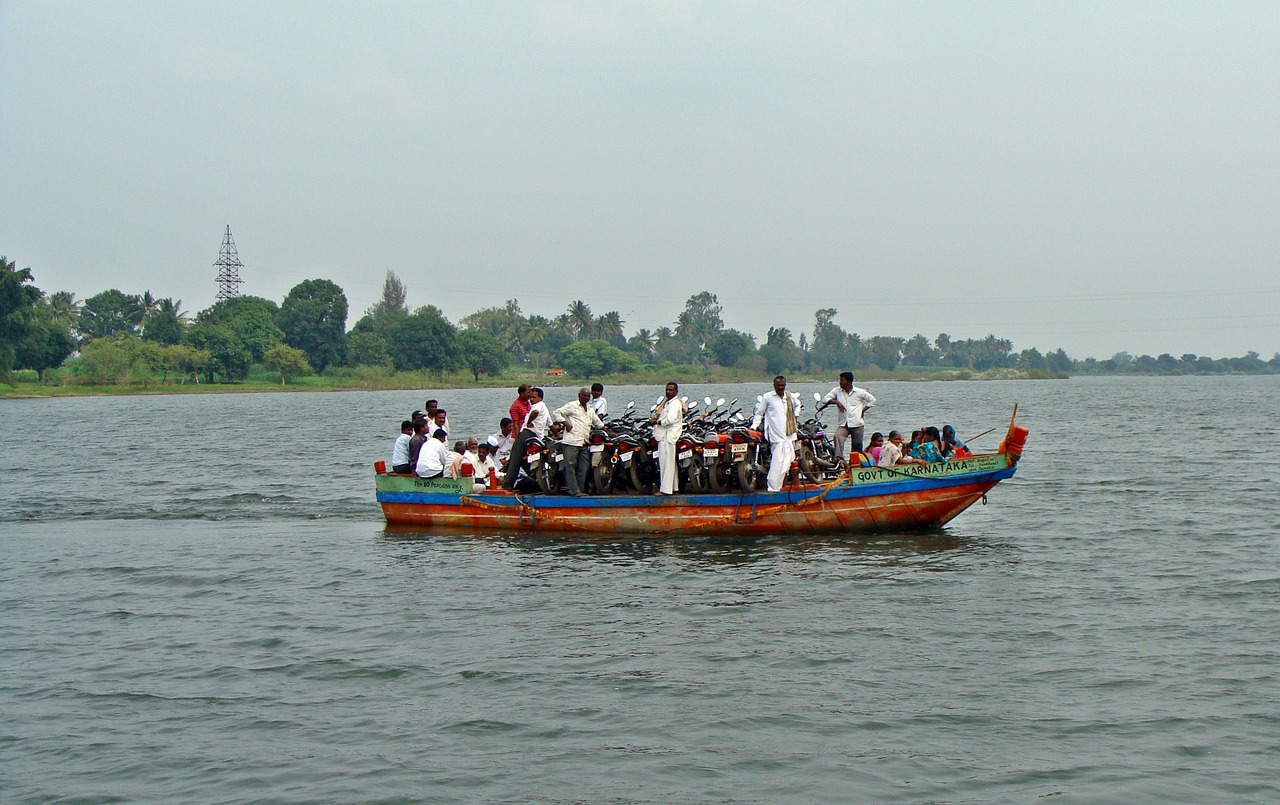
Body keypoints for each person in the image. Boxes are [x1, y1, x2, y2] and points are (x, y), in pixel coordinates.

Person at [750, 375, 803, 492]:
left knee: (787, 461)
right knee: (777, 461)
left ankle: (779, 486)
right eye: (778, 386)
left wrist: (795, 415)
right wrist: (753, 427)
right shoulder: (768, 397)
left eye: (782, 385)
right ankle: (773, 486)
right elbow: (759, 413)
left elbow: (798, 404)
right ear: (774, 386)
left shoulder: (789, 396)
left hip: (789, 434)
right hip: (776, 435)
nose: (780, 388)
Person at [553, 387, 606, 497]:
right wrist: (566, 423)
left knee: (583, 467)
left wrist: (608, 432)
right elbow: (557, 413)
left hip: (583, 442)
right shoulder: (572, 406)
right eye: (584, 395)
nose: (586, 398)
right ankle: (574, 491)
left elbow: (598, 422)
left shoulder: (590, 409)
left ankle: (580, 490)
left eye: (588, 396)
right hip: (571, 442)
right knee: (570, 466)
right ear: (579, 395)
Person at [817, 371, 876, 464]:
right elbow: (825, 400)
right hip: (844, 424)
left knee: (856, 447)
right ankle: (839, 459)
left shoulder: (859, 392)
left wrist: (863, 410)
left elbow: (872, 400)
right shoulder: (837, 391)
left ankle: (853, 465)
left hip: (857, 424)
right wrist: (837, 402)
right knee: (838, 436)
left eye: (842, 380)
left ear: (849, 381)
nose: (840, 382)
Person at [502, 387, 547, 491]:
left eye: (533, 396)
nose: (530, 398)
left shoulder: (535, 405)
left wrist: (529, 422)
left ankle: (508, 485)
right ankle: (538, 480)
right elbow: (515, 424)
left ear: (540, 398)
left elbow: (535, 413)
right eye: (529, 395)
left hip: (527, 434)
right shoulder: (519, 406)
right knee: (521, 460)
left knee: (515, 459)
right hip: (532, 436)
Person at [647, 381, 685, 495]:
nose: (668, 392)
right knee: (670, 463)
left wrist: (656, 421)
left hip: (668, 436)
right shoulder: (668, 403)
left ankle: (665, 490)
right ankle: (674, 488)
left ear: (676, 392)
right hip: (665, 435)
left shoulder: (674, 404)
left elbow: (670, 420)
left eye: (671, 390)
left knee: (666, 464)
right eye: (667, 390)